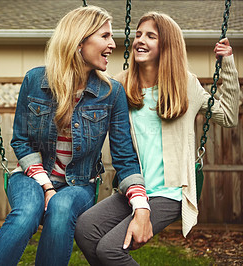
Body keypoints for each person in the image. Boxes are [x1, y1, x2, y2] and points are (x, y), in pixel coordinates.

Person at [0, 5, 146, 266]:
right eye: (105, 36)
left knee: (61, 208)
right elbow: (21, 141)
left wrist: (141, 205)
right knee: (26, 213)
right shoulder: (35, 80)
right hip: (32, 176)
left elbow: (125, 158)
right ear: (80, 41)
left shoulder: (111, 93)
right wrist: (46, 187)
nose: (113, 44)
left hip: (79, 184)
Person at [74, 11, 240, 265]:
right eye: (138, 34)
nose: (140, 40)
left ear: (168, 45)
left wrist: (227, 63)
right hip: (134, 188)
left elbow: (228, 116)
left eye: (151, 36)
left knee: (110, 249)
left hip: (170, 193)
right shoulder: (120, 85)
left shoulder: (185, 85)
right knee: (85, 228)